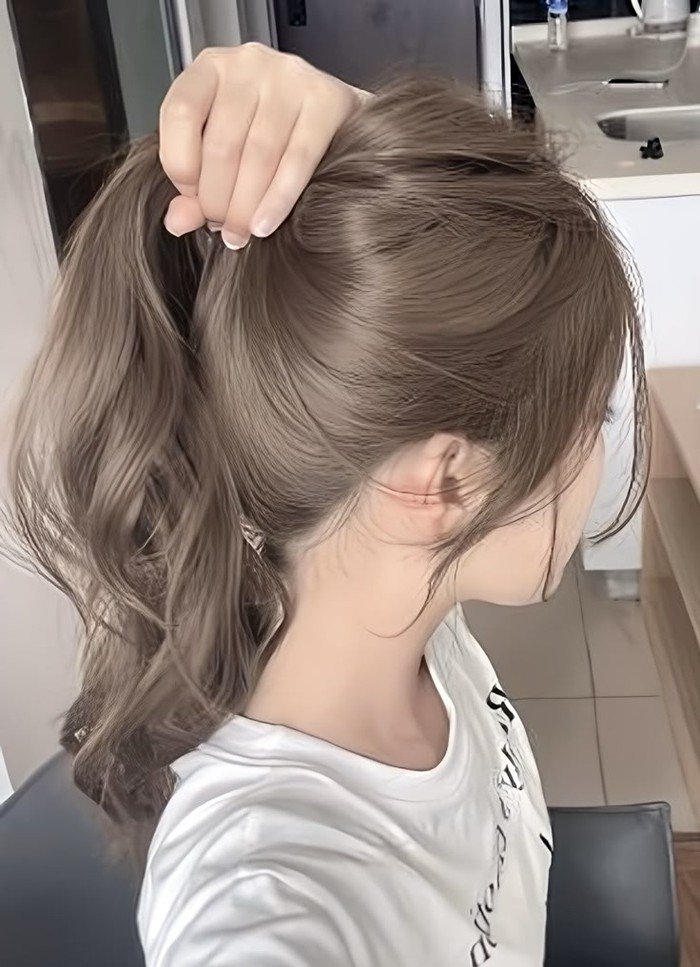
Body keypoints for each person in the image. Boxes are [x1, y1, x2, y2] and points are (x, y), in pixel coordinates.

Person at [5, 46, 647, 967]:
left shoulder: (406, 616)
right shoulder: (267, 894)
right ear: (445, 482)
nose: (598, 452)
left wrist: (360, 138)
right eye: (591, 420)